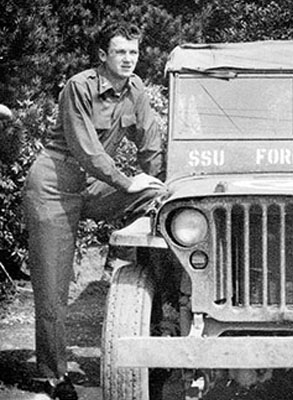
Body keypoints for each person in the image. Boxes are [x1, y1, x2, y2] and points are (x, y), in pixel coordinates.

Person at [23, 22, 166, 400]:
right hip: (54, 185)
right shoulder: (79, 87)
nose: (128, 59)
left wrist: (152, 179)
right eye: (120, 52)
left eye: (133, 52)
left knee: (160, 196)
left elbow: (150, 140)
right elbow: (86, 149)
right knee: (53, 293)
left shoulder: (135, 90)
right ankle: (53, 376)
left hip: (95, 186)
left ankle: (121, 254)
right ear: (102, 56)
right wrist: (125, 181)